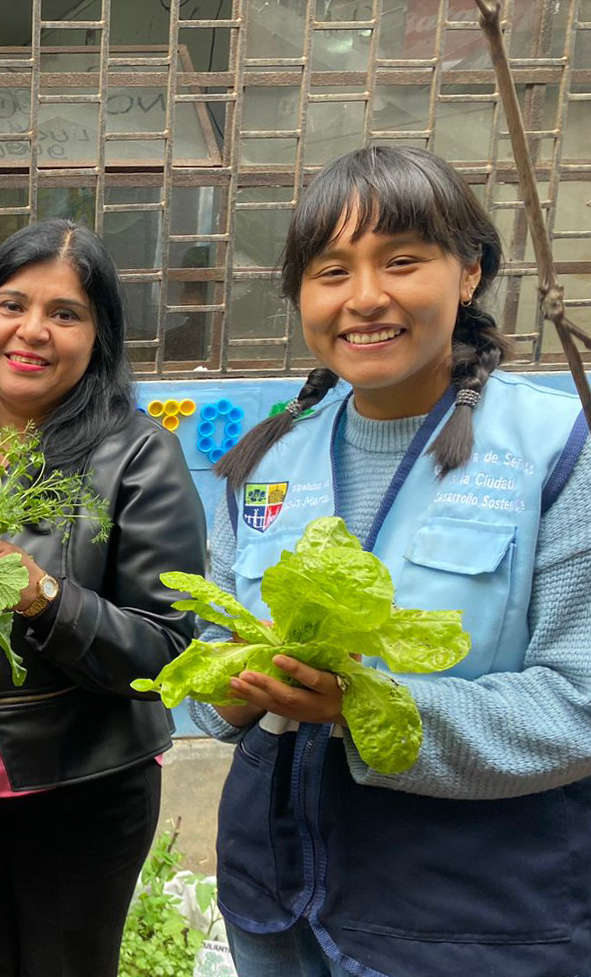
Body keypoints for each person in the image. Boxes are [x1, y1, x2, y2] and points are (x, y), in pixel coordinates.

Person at [190, 145, 591, 977]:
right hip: (275, 893)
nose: (364, 297)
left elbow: (577, 701)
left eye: (400, 261)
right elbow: (208, 654)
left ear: (468, 272)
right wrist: (224, 686)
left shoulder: (556, 448)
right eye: (330, 271)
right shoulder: (270, 457)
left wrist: (362, 706)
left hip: (470, 912)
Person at [0, 219, 207, 977]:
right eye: (11, 304)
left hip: (77, 794)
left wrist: (44, 595)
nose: (33, 331)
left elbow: (164, 649)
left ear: (99, 337)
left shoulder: (136, 455)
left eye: (65, 313)